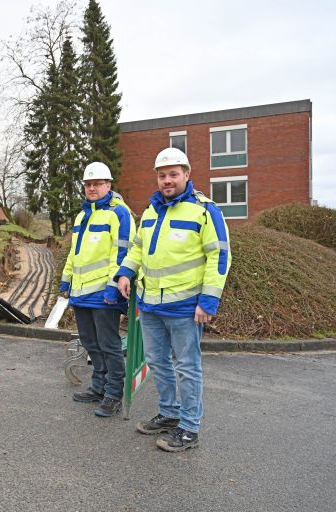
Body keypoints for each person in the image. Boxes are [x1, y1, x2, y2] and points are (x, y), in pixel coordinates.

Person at [115, 147, 231, 452]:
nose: (167, 180)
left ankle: (190, 427)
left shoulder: (205, 211)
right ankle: (169, 413)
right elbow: (138, 248)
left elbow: (219, 256)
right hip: (150, 305)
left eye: (173, 174)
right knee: (157, 361)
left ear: (187, 175)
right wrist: (125, 272)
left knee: (187, 368)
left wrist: (208, 301)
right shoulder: (151, 211)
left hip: (185, 307)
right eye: (162, 175)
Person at [60, 162, 135, 418]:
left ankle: (113, 394)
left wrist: (114, 287)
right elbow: (75, 253)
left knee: (109, 345)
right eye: (88, 184)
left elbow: (123, 253)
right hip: (82, 293)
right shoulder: (82, 215)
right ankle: (99, 387)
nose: (92, 188)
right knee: (91, 343)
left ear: (108, 185)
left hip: (105, 294)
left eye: (97, 184)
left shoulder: (119, 213)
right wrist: (66, 280)